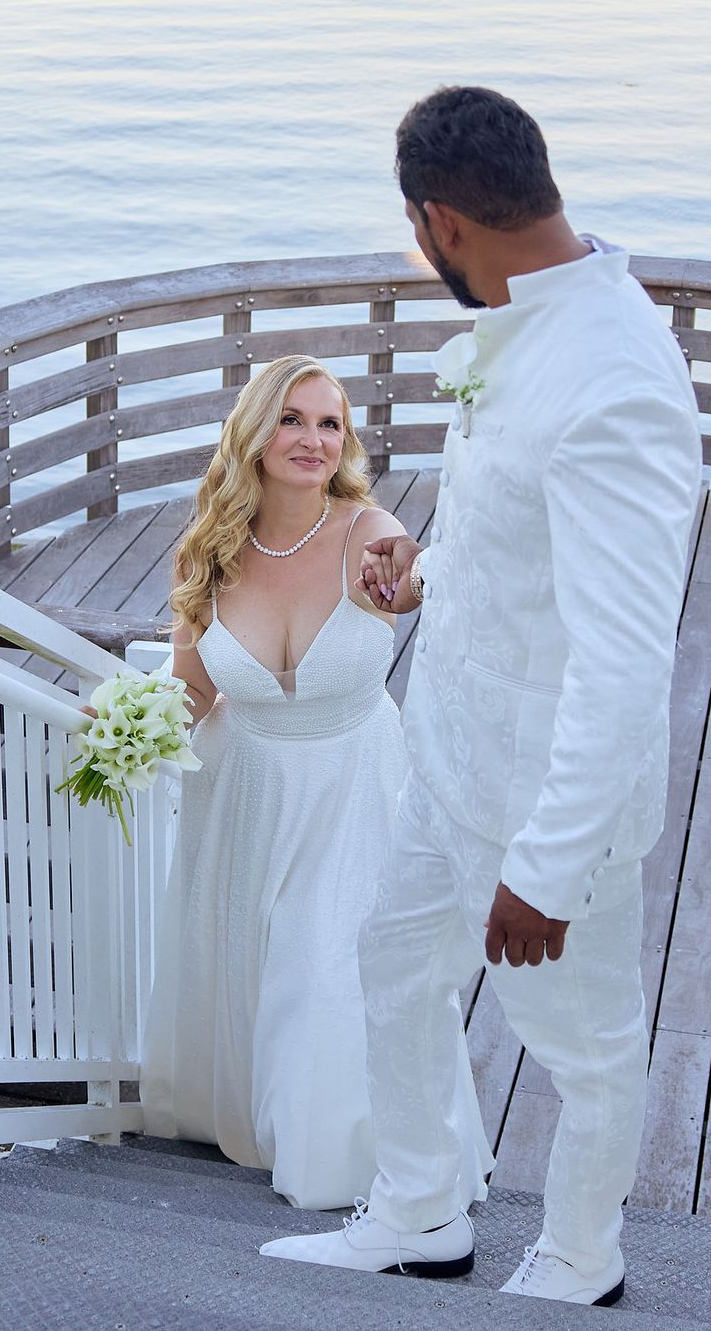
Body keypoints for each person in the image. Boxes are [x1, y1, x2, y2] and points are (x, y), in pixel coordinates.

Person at [263, 85, 703, 1299]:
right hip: (449, 761)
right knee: (393, 964)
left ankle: (578, 1255)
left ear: (439, 221)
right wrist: (431, 567)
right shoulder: (525, 318)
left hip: (545, 800)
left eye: (417, 234)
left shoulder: (614, 381)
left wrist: (549, 864)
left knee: (584, 1044)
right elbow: (524, 540)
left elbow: (624, 659)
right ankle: (418, 1211)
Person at [139, 352, 490, 1211]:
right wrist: (123, 735)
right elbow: (193, 689)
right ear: (256, 434)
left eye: (329, 423)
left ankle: (358, 1165)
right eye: (293, 419)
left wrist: (426, 566)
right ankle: (271, 1128)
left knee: (326, 965)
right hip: (249, 795)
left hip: (357, 788)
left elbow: (431, 584)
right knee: (264, 968)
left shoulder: (371, 534)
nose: (312, 439)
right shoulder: (209, 552)